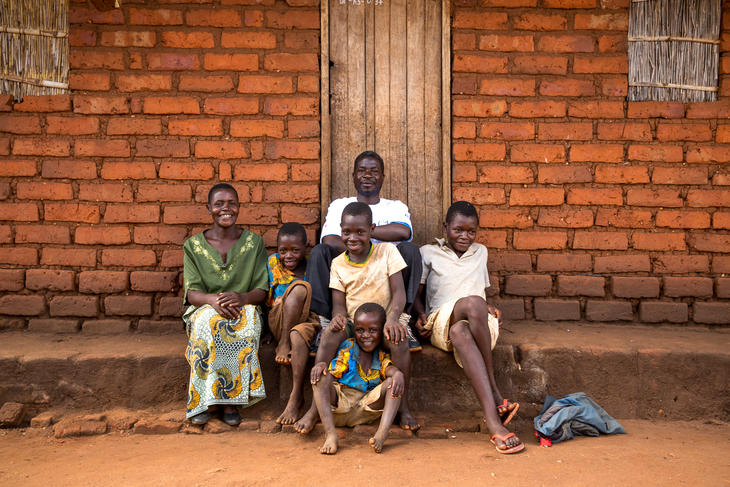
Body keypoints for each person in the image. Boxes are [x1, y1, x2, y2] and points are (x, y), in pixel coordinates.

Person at [306, 150, 422, 430]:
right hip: (349, 298)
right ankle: (313, 408)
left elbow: (404, 233)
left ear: (382, 176)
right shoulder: (340, 205)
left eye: (373, 171)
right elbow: (331, 238)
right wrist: (360, 236)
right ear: (354, 174)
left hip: (385, 304)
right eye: (362, 170)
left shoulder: (395, 207)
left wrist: (364, 234)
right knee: (321, 252)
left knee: (412, 252)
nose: (367, 175)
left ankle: (403, 405)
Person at [412, 201, 525, 454]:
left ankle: (493, 423)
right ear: (445, 228)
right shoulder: (427, 252)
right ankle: (495, 390)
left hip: (478, 323)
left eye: (471, 231)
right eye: (458, 230)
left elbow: (477, 289)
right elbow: (417, 294)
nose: (465, 236)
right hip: (441, 319)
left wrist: (490, 306)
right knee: (472, 306)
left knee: (461, 330)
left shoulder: (481, 252)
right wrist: (419, 315)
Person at [294, 202, 415, 434]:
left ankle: (403, 406)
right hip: (355, 324)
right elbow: (338, 305)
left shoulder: (387, 252)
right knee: (330, 334)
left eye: (360, 232)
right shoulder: (338, 263)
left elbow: (399, 291)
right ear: (340, 231)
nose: (353, 237)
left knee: (399, 341)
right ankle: (313, 409)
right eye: (347, 232)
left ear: (372, 229)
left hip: (384, 321)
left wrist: (393, 318)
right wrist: (338, 319)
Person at [183, 183, 268, 426]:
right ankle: (204, 401)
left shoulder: (254, 243)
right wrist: (214, 301)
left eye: (231, 203)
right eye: (219, 204)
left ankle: (231, 400)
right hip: (204, 306)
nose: (225, 209)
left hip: (244, 305)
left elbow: (261, 290)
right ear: (209, 208)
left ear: (239, 207)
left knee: (244, 320)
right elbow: (192, 294)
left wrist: (241, 298)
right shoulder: (193, 246)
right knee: (208, 322)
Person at [310, 302, 404, 455]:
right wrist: (321, 367)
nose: (366, 335)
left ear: (382, 332)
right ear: (354, 331)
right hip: (341, 407)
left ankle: (381, 434)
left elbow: (388, 369)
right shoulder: (348, 348)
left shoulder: (380, 355)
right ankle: (331, 434)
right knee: (320, 375)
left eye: (373, 330)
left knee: (395, 380)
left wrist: (398, 373)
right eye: (360, 330)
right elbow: (332, 374)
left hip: (366, 410)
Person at [266, 222, 321, 425]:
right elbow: (265, 295)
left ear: (306, 247)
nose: (288, 256)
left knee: (298, 337)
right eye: (283, 251)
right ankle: (283, 343)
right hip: (278, 319)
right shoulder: (272, 263)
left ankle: (295, 397)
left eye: (295, 250)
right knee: (299, 288)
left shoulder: (312, 264)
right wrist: (267, 331)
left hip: (305, 320)